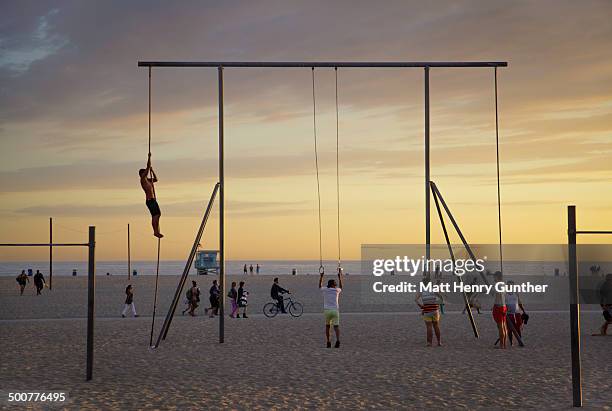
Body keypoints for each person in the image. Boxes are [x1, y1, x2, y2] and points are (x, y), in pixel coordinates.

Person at [139, 153, 163, 238]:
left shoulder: (148, 180)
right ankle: (155, 232)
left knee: (157, 215)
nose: (146, 174)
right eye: (145, 173)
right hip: (150, 201)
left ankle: (156, 231)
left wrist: (152, 171)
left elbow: (156, 179)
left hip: (152, 200)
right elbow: (148, 167)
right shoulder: (143, 180)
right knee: (155, 215)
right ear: (142, 174)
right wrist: (149, 157)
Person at [415, 277, 443, 347]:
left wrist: (421, 307)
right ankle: (439, 342)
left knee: (429, 327)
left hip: (427, 310)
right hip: (435, 310)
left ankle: (429, 342)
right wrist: (438, 304)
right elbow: (441, 297)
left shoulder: (422, 290)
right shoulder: (433, 289)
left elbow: (416, 299)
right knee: (436, 326)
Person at [319, 269, 343, 348]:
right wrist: (339, 277)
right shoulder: (337, 290)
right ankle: (338, 340)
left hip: (327, 311)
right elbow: (341, 287)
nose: (336, 285)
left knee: (327, 326)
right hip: (335, 310)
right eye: (335, 284)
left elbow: (320, 286)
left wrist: (321, 277)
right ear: (334, 285)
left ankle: (328, 341)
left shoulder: (325, 290)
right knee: (336, 327)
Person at [505, 280, 526, 345]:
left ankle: (520, 340)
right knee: (510, 329)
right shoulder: (504, 294)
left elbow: (519, 302)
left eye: (511, 285)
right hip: (508, 314)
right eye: (508, 285)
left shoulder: (516, 293)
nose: (510, 286)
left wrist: (523, 310)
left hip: (517, 313)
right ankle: (511, 342)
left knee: (518, 327)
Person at [492, 271, 507, 349]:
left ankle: (502, 345)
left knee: (501, 326)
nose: (493, 278)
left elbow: (499, 295)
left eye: (494, 277)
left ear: (497, 277)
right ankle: (503, 344)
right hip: (503, 306)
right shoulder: (503, 284)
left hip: (499, 306)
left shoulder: (498, 285)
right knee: (503, 326)